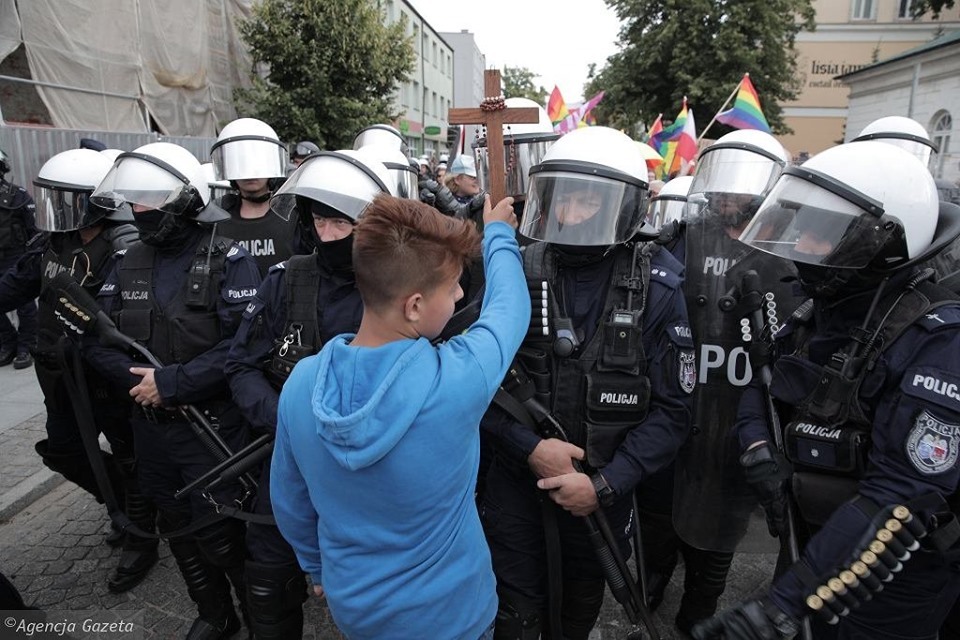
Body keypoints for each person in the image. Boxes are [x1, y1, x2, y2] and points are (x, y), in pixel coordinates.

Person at [693, 140, 960, 640]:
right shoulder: (819, 310)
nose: (802, 244)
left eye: (822, 234)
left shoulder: (939, 342)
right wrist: (757, 448)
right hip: (813, 543)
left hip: (897, 578)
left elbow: (901, 501)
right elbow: (765, 379)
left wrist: (783, 606)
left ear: (879, 241)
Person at [270, 192, 528, 639]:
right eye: (451, 288)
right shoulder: (456, 381)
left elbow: (290, 502)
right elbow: (510, 310)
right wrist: (500, 234)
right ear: (413, 305)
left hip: (358, 612)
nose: (461, 294)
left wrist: (317, 567)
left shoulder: (301, 386)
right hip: (453, 617)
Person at [480, 126, 695, 639]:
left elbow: (674, 411)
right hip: (513, 481)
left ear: (620, 206)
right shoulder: (514, 267)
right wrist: (528, 446)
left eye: (588, 201)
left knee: (579, 608)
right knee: (515, 613)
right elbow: (473, 381)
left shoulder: (658, 287)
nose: (572, 214)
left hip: (600, 490)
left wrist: (605, 484)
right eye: (563, 198)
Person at [84, 142, 262, 640]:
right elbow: (98, 342)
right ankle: (214, 613)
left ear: (184, 201)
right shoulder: (127, 259)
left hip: (212, 432)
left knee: (221, 533)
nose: (139, 210)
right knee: (173, 527)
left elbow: (240, 349)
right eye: (134, 200)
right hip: (150, 428)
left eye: (150, 200)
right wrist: (142, 385)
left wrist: (171, 383)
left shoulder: (231, 259)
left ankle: (257, 617)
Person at [225, 149, 397, 639]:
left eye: (340, 223)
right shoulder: (288, 278)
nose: (327, 234)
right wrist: (286, 420)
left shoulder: (397, 287)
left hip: (369, 468)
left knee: (375, 594)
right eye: (319, 220)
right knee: (267, 583)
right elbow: (241, 365)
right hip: (286, 459)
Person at [645, 130, 802, 634]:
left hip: (743, 409)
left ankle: (700, 606)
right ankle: (652, 581)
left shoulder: (792, 252)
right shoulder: (682, 237)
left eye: (742, 189)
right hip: (678, 399)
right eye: (723, 187)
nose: (729, 197)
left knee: (723, 520)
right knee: (660, 507)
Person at [0, 148, 159, 593]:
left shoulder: (127, 246)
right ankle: (121, 505)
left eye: (68, 199)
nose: (58, 211)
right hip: (56, 374)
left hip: (106, 377)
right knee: (65, 451)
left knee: (132, 455)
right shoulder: (51, 243)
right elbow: (13, 287)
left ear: (97, 200)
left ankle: (141, 536)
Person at [210, 117, 298, 276]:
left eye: (258, 165)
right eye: (241, 165)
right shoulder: (217, 216)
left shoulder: (293, 213)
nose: (250, 173)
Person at [0, 147, 38, 369]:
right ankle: (8, 343)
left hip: (15, 256)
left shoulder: (17, 195)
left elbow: (33, 229)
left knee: (24, 304)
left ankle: (26, 346)